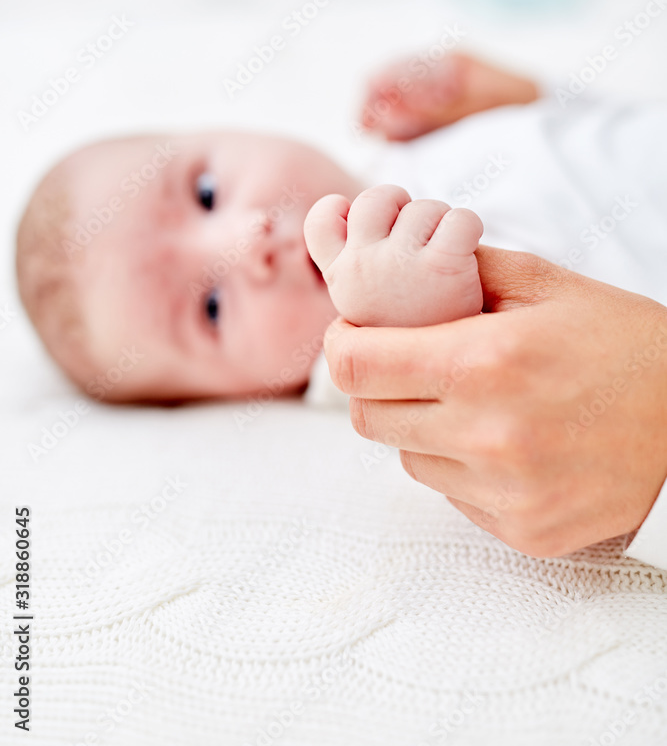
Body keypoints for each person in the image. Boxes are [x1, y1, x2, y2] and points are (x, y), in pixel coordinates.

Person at [15, 52, 667, 566]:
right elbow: (487, 383)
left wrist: (528, 96)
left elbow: (611, 147)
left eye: (206, 191)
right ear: (244, 392)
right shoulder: (365, 342)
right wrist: (418, 313)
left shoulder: (408, 146)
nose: (246, 243)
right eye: (211, 308)